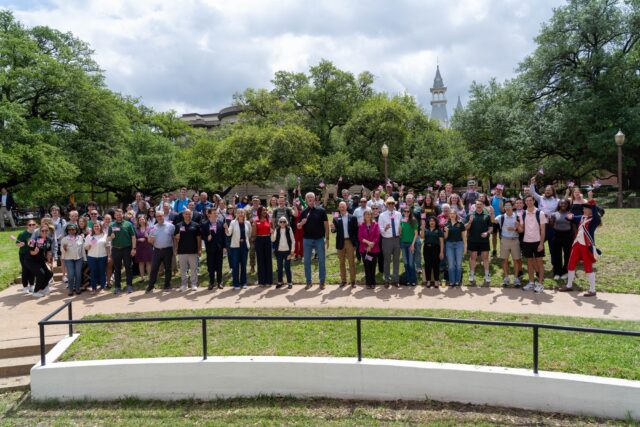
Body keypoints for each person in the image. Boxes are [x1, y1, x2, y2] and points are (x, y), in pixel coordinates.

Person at [560, 193, 601, 297]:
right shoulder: (582, 217)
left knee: (588, 266)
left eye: (586, 209)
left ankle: (592, 290)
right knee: (571, 264)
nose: (583, 210)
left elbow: (595, 211)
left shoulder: (594, 220)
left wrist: (591, 199)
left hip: (586, 246)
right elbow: (573, 218)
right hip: (577, 244)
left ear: (591, 210)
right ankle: (569, 285)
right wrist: (570, 216)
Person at [297, 192, 329, 289]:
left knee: (321, 260)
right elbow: (298, 227)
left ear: (314, 199)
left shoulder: (321, 210)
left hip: (319, 239)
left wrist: (327, 239)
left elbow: (326, 226)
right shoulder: (303, 212)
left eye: (312, 197)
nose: (310, 199)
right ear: (306, 199)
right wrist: (301, 223)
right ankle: (308, 281)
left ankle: (322, 281)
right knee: (306, 261)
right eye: (308, 197)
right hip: (307, 240)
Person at [518, 195, 547, 293]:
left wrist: (541, 243)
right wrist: (517, 226)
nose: (529, 202)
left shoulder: (540, 213)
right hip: (526, 241)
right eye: (527, 201)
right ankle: (531, 282)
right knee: (529, 263)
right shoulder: (523, 213)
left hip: (537, 241)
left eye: (530, 200)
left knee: (539, 262)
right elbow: (522, 229)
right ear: (525, 202)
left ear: (534, 201)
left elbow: (543, 230)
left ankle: (540, 283)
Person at [492, 200, 522, 287]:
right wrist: (491, 213)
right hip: (504, 240)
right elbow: (493, 220)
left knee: (516, 260)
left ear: (512, 207)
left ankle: (516, 278)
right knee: (504, 260)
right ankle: (506, 278)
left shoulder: (517, 217)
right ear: (504, 208)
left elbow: (521, 230)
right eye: (506, 207)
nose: (508, 208)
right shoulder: (501, 217)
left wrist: (515, 228)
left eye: (509, 206)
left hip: (515, 240)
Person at [108, 208, 137, 295]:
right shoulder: (111, 225)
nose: (118, 216)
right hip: (116, 249)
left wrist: (134, 248)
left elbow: (133, 237)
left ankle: (129, 285)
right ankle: (117, 287)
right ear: (114, 216)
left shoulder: (128, 224)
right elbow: (108, 238)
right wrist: (111, 237)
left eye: (120, 214)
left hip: (126, 249)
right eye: (117, 214)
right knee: (117, 268)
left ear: (123, 214)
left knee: (128, 267)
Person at [145, 211, 175, 293]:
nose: (160, 217)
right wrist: (150, 240)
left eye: (161, 216)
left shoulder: (171, 226)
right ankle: (151, 286)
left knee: (168, 268)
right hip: (157, 250)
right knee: (154, 268)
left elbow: (174, 238)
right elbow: (149, 240)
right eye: (158, 216)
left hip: (168, 250)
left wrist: (175, 249)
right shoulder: (153, 227)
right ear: (156, 217)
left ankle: (167, 285)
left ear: (163, 216)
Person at [465, 200, 493, 286]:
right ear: (475, 205)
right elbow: (465, 228)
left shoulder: (487, 216)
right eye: (477, 204)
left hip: (484, 241)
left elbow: (491, 228)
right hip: (473, 240)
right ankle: (472, 274)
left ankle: (487, 275)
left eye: (480, 204)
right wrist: (469, 222)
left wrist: (487, 233)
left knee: (485, 258)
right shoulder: (470, 215)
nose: (479, 206)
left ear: (483, 205)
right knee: (473, 258)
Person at [331, 201, 359, 287]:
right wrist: (332, 228)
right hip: (340, 242)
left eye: (343, 206)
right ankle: (343, 281)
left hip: (350, 242)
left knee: (351, 262)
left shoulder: (353, 217)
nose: (342, 208)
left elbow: (356, 231)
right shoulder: (336, 217)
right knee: (341, 263)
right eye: (340, 207)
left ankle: (353, 281)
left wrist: (354, 243)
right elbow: (334, 230)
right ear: (339, 208)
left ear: (346, 207)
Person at [173, 209, 201, 291]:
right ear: (183, 215)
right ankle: (184, 284)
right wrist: (175, 248)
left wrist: (199, 249)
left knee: (194, 268)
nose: (187, 215)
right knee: (183, 269)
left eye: (189, 214)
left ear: (191, 215)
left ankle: (193, 284)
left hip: (193, 250)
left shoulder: (196, 225)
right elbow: (175, 238)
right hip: (182, 251)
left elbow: (199, 238)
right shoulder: (178, 225)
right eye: (186, 214)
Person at [225, 208, 252, 289]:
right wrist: (226, 228)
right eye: (239, 212)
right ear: (236, 214)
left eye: (242, 212)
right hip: (235, 247)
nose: (241, 214)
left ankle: (244, 283)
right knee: (235, 265)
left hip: (244, 247)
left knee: (244, 265)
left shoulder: (247, 223)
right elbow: (229, 233)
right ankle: (236, 284)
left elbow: (249, 233)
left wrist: (245, 240)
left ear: (244, 214)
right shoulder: (233, 222)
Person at [378, 197, 402, 288]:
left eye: (392, 203)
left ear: (394, 204)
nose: (391, 205)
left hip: (396, 239)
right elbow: (379, 229)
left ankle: (396, 280)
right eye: (389, 203)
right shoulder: (382, 215)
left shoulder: (399, 214)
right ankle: (387, 279)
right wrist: (385, 228)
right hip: (387, 239)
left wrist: (401, 230)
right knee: (387, 260)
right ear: (386, 205)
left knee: (396, 260)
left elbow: (401, 225)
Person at [25, 224, 54, 297]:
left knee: (49, 274)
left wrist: (49, 260)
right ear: (39, 231)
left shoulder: (49, 240)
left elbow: (48, 251)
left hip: (40, 260)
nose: (44, 232)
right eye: (42, 231)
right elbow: (29, 251)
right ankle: (35, 292)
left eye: (46, 231)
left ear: (48, 231)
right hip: (30, 260)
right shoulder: (33, 240)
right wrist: (35, 252)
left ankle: (42, 288)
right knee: (41, 274)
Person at [201, 208, 226, 290]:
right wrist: (206, 238)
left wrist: (225, 247)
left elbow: (223, 236)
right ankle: (211, 282)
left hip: (219, 248)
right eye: (214, 213)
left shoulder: (221, 223)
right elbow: (202, 236)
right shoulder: (205, 224)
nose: (216, 214)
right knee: (210, 266)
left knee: (219, 266)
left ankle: (219, 282)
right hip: (210, 249)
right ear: (209, 214)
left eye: (216, 213)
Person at [549, 200, 573, 281]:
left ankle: (565, 272)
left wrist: (575, 237)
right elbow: (551, 225)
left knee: (567, 255)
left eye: (565, 203)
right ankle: (557, 272)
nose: (563, 205)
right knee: (557, 255)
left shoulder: (570, 214)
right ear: (559, 204)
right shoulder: (554, 214)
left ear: (567, 205)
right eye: (561, 203)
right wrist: (551, 221)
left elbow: (573, 226)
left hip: (568, 236)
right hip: (557, 235)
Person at [60, 223, 85, 296]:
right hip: (68, 259)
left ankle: (77, 289)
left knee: (78, 274)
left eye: (73, 229)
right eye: (69, 230)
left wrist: (85, 258)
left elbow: (82, 249)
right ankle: (70, 290)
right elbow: (62, 250)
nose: (71, 231)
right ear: (67, 231)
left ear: (76, 230)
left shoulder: (80, 238)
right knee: (70, 275)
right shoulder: (64, 239)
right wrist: (64, 248)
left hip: (79, 258)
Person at [358, 208, 380, 289]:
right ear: (364, 216)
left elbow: (377, 236)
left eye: (369, 214)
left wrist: (371, 245)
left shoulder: (376, 224)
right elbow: (360, 237)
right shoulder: (361, 225)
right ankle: (368, 282)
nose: (368, 215)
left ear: (371, 215)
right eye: (366, 214)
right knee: (366, 266)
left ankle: (373, 282)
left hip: (374, 249)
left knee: (373, 266)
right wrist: (368, 243)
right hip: (364, 250)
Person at [443, 210, 466, 287]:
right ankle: (452, 281)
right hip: (449, 245)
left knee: (459, 264)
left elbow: (464, 237)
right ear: (449, 215)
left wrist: (465, 247)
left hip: (459, 244)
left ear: (456, 214)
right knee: (451, 264)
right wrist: (446, 232)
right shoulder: (446, 224)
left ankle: (458, 280)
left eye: (454, 213)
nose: (452, 215)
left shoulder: (460, 224)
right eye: (451, 213)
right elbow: (445, 237)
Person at [272, 216, 295, 289]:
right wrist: (272, 233)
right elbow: (273, 240)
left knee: (287, 267)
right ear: (279, 222)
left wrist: (292, 250)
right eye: (281, 221)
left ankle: (289, 282)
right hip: (279, 252)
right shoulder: (277, 229)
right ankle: (280, 282)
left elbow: (293, 240)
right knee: (279, 267)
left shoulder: (289, 229)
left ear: (286, 222)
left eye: (284, 221)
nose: (282, 223)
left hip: (287, 251)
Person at [85, 221, 109, 293]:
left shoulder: (105, 235)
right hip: (92, 257)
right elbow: (86, 247)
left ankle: (102, 287)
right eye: (95, 226)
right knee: (93, 273)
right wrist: (89, 245)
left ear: (100, 227)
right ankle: (94, 288)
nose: (96, 227)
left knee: (102, 272)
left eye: (98, 226)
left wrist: (108, 256)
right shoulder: (89, 236)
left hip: (103, 256)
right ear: (93, 228)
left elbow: (107, 246)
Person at [252, 206, 273, 287]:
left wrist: (272, 227)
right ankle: (261, 281)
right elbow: (254, 234)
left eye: (265, 210)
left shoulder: (269, 220)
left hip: (268, 240)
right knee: (260, 260)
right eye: (263, 210)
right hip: (259, 240)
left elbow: (272, 230)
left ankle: (269, 281)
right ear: (259, 211)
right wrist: (254, 226)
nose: (265, 211)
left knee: (268, 260)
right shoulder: (256, 220)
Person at [421, 216, 444, 287]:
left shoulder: (438, 230)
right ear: (428, 222)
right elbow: (422, 237)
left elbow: (441, 242)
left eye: (433, 221)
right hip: (427, 248)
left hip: (436, 249)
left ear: (435, 222)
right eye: (430, 221)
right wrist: (422, 228)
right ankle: (428, 281)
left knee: (436, 265)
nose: (432, 222)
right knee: (427, 264)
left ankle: (436, 281)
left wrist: (441, 252)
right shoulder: (426, 229)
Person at [14, 220, 36, 293]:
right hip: (23, 254)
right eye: (30, 225)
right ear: (27, 226)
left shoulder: (36, 233)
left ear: (35, 225)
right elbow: (17, 244)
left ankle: (32, 285)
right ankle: (25, 287)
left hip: (32, 254)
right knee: (25, 270)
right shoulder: (22, 234)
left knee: (32, 270)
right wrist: (21, 244)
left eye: (33, 224)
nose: (32, 226)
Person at [399, 204, 419, 286]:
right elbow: (400, 234)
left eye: (408, 211)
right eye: (405, 211)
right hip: (403, 244)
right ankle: (407, 280)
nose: (406, 213)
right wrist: (399, 229)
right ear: (403, 212)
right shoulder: (402, 221)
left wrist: (413, 244)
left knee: (411, 263)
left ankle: (413, 280)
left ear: (410, 212)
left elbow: (416, 234)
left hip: (411, 244)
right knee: (406, 263)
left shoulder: (413, 220)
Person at [489, 187, 506, 258]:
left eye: (500, 190)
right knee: (494, 236)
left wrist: (501, 199)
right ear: (495, 190)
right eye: (497, 189)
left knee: (502, 236)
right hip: (493, 220)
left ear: (502, 191)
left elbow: (502, 211)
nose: (498, 191)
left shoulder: (504, 199)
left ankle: (503, 251)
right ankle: (494, 250)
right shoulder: (491, 199)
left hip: (502, 220)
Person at [135, 215, 153, 283]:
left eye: (143, 219)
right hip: (139, 247)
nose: (141, 221)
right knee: (141, 263)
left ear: (145, 220)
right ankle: (142, 278)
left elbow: (152, 238)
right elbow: (133, 239)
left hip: (148, 247)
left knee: (148, 262)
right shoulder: (136, 229)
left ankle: (149, 278)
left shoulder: (149, 228)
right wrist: (138, 240)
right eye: (140, 220)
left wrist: (147, 236)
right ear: (138, 221)